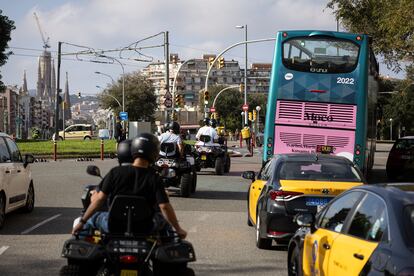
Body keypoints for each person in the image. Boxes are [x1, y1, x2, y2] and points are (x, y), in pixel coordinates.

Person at [72, 133, 187, 239]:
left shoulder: (115, 172)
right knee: (165, 224)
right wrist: (178, 229)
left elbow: (99, 200)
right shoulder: (154, 177)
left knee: (93, 219)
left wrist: (82, 222)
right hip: (145, 227)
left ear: (133, 150)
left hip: (113, 225)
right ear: (155, 153)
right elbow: (164, 207)